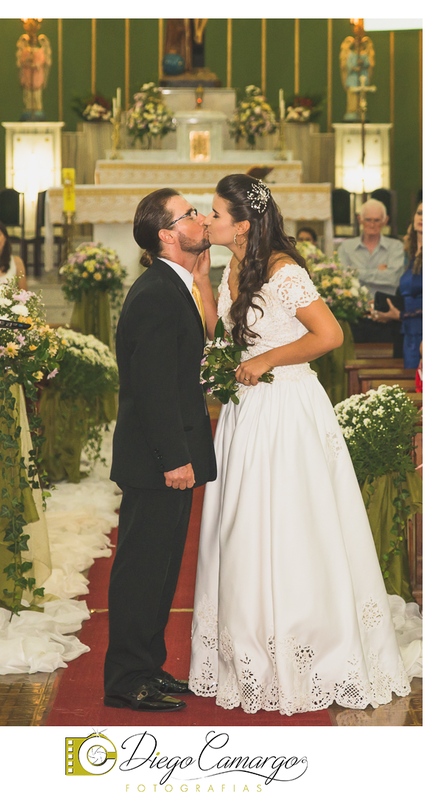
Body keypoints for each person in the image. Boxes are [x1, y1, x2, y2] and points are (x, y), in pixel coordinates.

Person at [188, 174, 412, 715]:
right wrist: (200, 282)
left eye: (216, 214)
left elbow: (327, 335)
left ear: (242, 225)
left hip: (287, 410)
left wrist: (266, 360)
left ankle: (308, 644)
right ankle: (251, 646)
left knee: (290, 524)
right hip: (246, 415)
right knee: (244, 525)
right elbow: (227, 333)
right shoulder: (230, 265)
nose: (207, 220)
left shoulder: (285, 272)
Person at [104, 188, 217, 712]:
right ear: (166, 234)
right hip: (157, 459)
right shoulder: (154, 292)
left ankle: (149, 666)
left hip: (167, 454)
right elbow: (151, 387)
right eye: (190, 214)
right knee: (141, 569)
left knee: (163, 568)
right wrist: (175, 456)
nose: (200, 218)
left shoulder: (176, 286)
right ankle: (127, 679)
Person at [336, 198, 404, 348]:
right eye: (368, 220)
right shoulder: (346, 247)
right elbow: (342, 280)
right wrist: (379, 273)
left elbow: (393, 278)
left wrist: (355, 273)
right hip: (354, 319)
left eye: (377, 220)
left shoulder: (396, 247)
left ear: (385, 220)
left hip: (386, 319)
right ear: (360, 219)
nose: (372, 225)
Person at [373, 203, 423, 368]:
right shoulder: (413, 256)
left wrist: (400, 315)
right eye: (419, 212)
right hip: (408, 332)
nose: (422, 217)